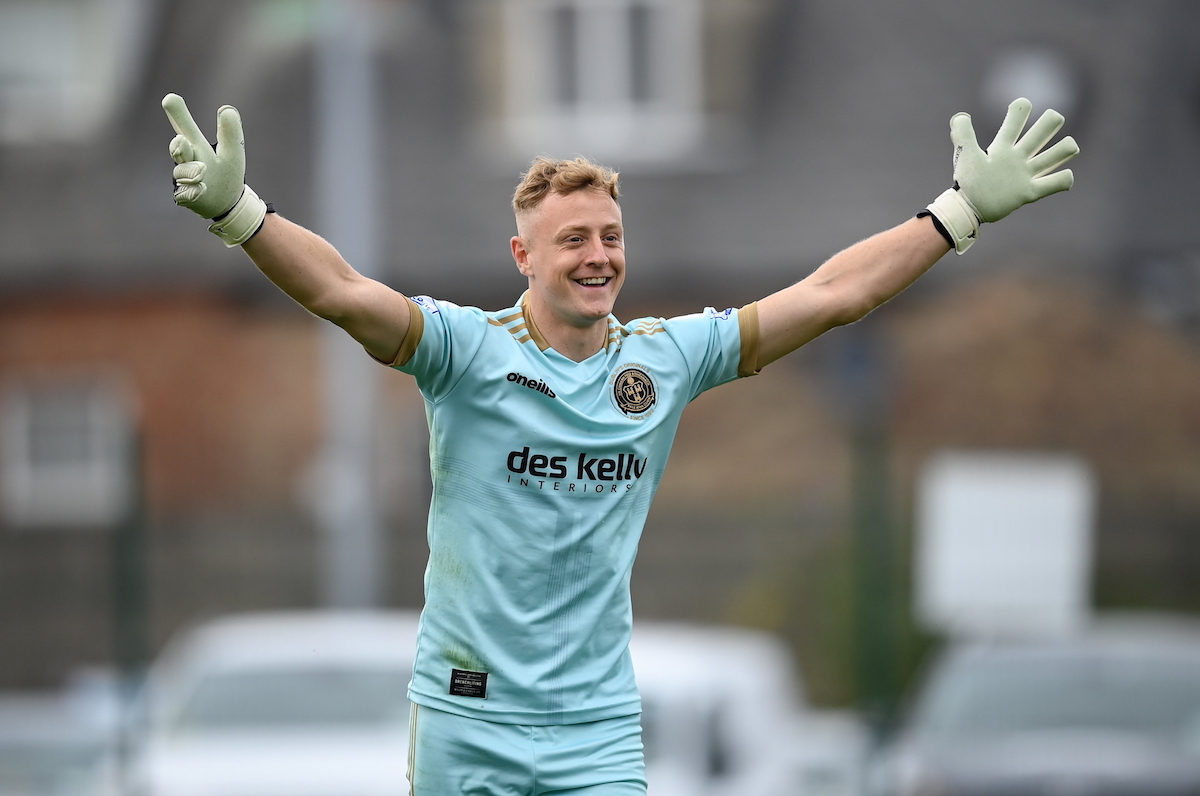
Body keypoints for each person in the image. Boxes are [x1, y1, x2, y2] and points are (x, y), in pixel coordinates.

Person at [161, 92, 1077, 795]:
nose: (597, 255)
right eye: (572, 240)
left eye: (610, 235)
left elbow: (832, 295)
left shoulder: (666, 359)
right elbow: (342, 292)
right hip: (467, 713)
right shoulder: (466, 352)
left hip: (595, 725)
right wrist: (242, 213)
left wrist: (955, 214)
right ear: (524, 258)